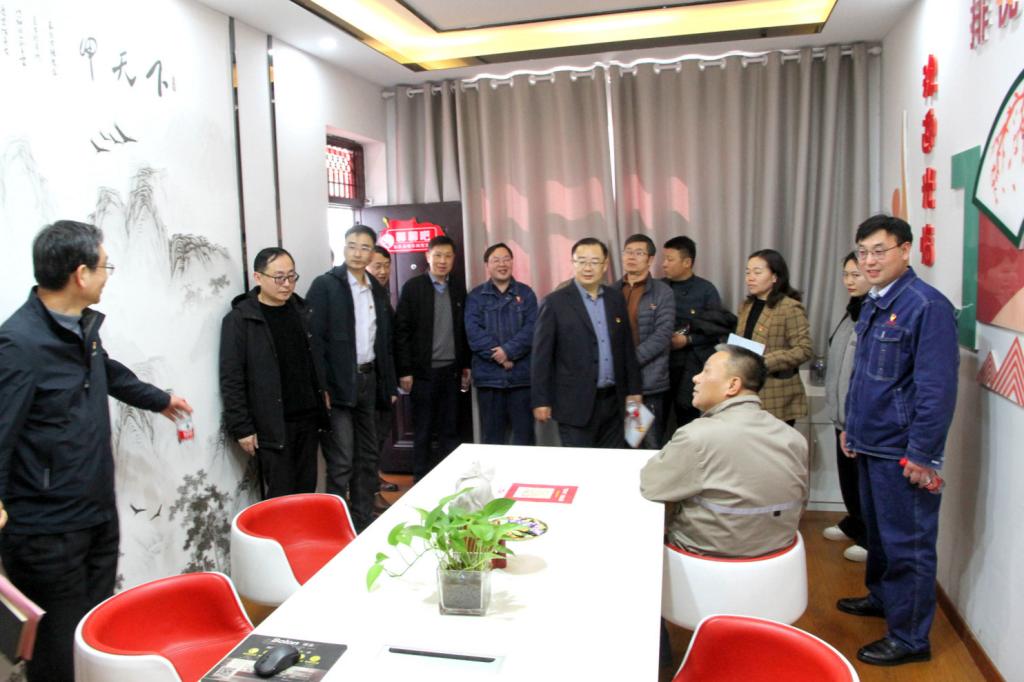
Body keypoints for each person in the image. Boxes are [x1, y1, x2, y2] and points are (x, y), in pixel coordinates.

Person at [0, 220, 192, 682]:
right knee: (57, 652)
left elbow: (108, 371)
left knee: (93, 635)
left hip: (95, 512)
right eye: (105, 266)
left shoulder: (80, 327)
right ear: (81, 274)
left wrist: (159, 399)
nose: (108, 275)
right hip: (47, 530)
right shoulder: (19, 343)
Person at [837, 215, 958, 667]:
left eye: (879, 251)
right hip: (870, 442)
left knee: (908, 545)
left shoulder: (926, 306)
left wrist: (923, 455)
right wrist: (852, 428)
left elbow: (936, 390)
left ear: (905, 251)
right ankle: (883, 598)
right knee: (880, 537)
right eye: (863, 252)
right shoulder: (875, 302)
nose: (869, 261)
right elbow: (866, 378)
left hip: (902, 452)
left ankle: (910, 639)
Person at [640, 344, 808, 557]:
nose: (695, 378)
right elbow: (801, 502)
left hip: (705, 557)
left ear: (732, 385)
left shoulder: (697, 436)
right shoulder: (794, 438)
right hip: (780, 554)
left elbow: (652, 486)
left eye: (706, 371)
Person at [307, 225, 397, 531]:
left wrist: (389, 383)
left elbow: (383, 342)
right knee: (342, 459)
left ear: (373, 252)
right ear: (344, 248)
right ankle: (334, 527)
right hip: (338, 385)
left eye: (364, 247)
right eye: (352, 246)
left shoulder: (376, 289)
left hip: (369, 381)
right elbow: (314, 341)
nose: (358, 253)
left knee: (368, 456)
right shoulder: (326, 285)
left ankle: (361, 520)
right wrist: (322, 387)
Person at [219, 247, 329, 499]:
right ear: (258, 277)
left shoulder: (301, 310)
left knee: (307, 489)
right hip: (272, 425)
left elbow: (314, 359)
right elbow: (231, 378)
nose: (287, 284)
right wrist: (242, 427)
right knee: (281, 495)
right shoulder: (241, 320)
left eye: (291, 276)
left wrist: (322, 390)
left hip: (308, 418)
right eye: (279, 277)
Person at [531, 237, 642, 448]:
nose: (587, 268)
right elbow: (541, 357)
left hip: (615, 402)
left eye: (594, 262)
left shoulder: (615, 299)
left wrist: (635, 390)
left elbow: (627, 348)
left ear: (605, 265)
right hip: (574, 403)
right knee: (579, 463)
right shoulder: (554, 303)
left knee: (615, 460)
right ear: (573, 263)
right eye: (581, 261)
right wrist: (540, 400)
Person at [394, 235, 471, 481]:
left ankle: (450, 481)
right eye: (437, 255)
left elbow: (463, 329)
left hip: (451, 372)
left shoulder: (458, 287)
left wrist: (466, 365)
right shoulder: (413, 287)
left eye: (447, 256)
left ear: (454, 259)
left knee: (450, 430)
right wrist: (405, 370)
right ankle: (420, 480)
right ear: (427, 256)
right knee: (423, 430)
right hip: (422, 374)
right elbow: (402, 332)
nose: (442, 261)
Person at [822, 252, 871, 562]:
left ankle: (869, 536)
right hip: (841, 414)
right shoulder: (852, 310)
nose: (849, 281)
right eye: (846, 274)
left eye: (856, 275)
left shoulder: (874, 313)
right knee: (848, 479)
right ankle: (855, 521)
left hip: (859, 416)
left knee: (864, 481)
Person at [465, 243, 538, 445]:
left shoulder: (526, 293)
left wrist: (508, 351)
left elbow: (533, 329)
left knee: (525, 439)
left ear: (512, 262)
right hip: (489, 380)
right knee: (493, 441)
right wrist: (500, 356)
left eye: (506, 259)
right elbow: (473, 333)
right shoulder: (476, 296)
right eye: (496, 260)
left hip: (521, 379)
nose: (502, 264)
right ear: (487, 265)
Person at [735, 249, 812, 425]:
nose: (750, 278)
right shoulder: (746, 306)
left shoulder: (789, 308)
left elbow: (804, 349)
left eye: (757, 272)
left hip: (776, 395)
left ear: (775, 277)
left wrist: (765, 361)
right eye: (747, 272)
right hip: (747, 392)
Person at [661, 236, 723, 440]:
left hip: (692, 367)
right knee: (656, 423)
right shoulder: (658, 288)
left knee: (688, 421)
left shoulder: (706, 290)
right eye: (664, 258)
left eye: (670, 259)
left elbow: (717, 329)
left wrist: (688, 340)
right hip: (660, 366)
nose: (664, 264)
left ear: (687, 262)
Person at [617, 234, 675, 447]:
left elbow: (663, 334)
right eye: (628, 252)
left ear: (650, 259)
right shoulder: (612, 290)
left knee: (647, 444)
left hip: (648, 382)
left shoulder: (662, 292)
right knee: (622, 444)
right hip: (618, 383)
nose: (632, 257)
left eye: (639, 253)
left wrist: (630, 360)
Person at [367, 245, 399, 494]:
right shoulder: (360, 298)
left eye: (386, 266)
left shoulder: (382, 297)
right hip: (365, 382)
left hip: (385, 382)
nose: (383, 271)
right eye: (377, 265)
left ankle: (374, 482)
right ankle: (367, 490)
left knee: (380, 435)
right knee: (368, 439)